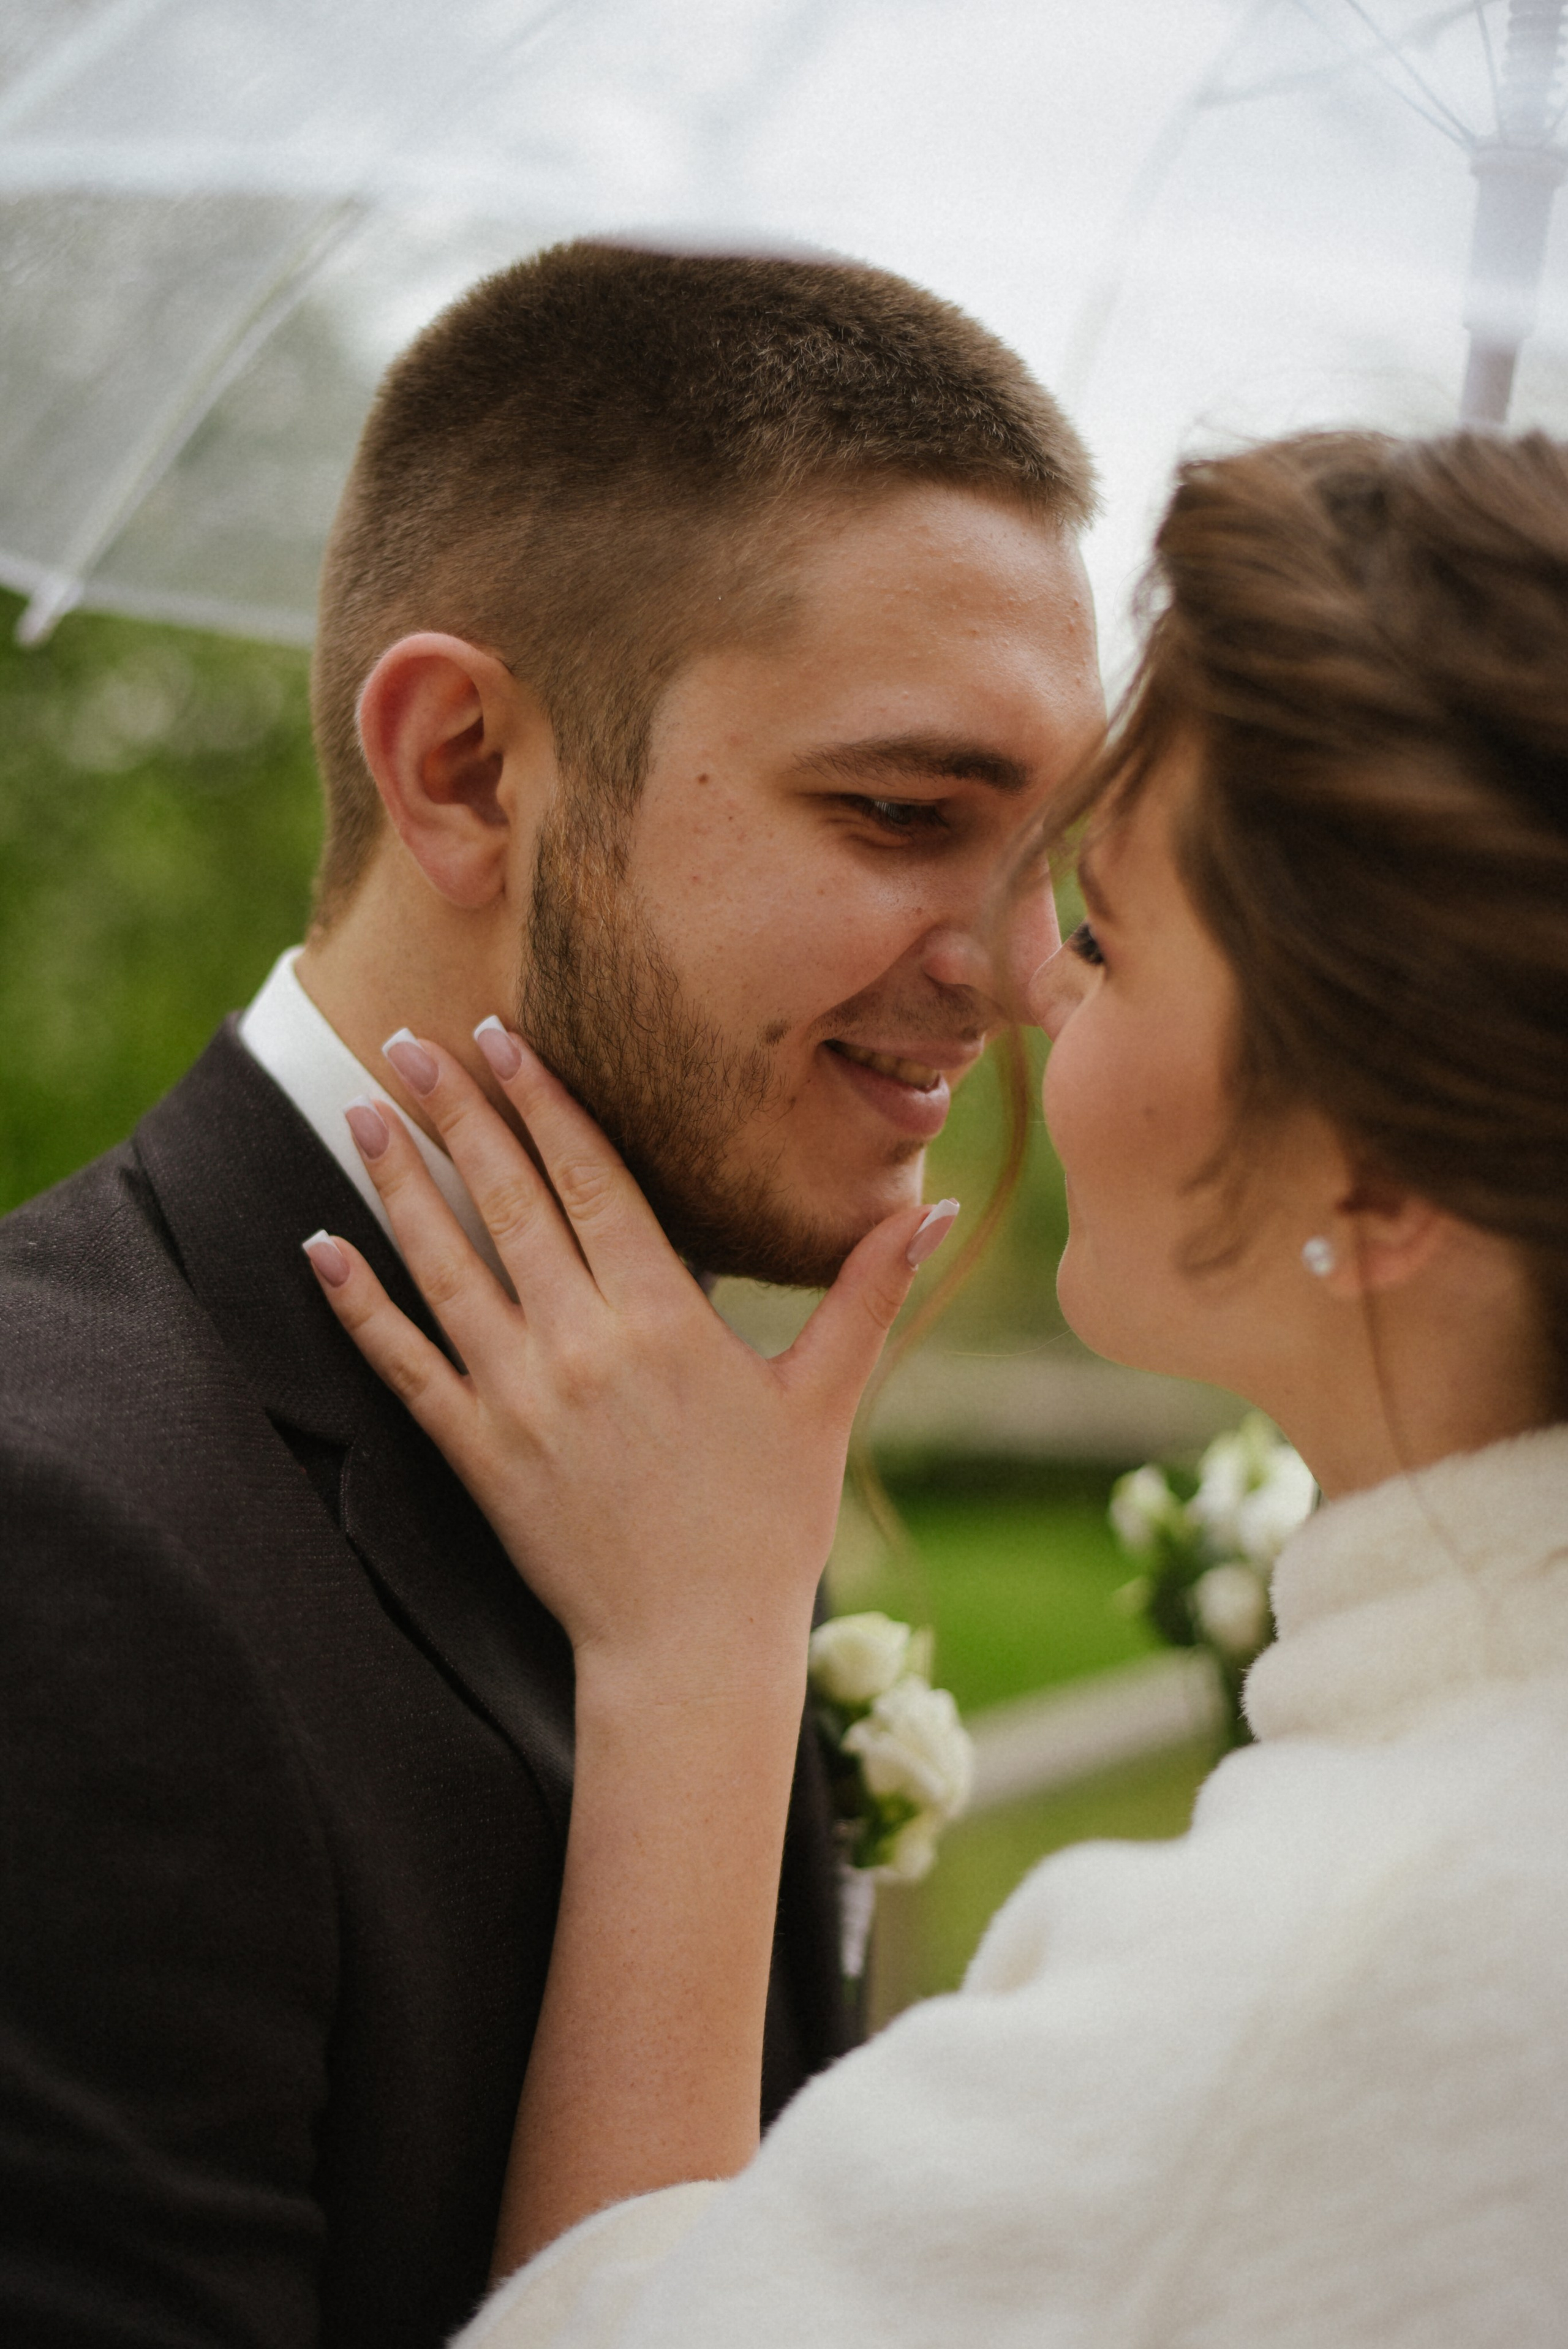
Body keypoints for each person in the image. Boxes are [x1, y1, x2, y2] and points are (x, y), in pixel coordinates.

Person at [314, 427, 1568, 2345]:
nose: (1019, 987)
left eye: (1105, 936)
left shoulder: (1315, 1989)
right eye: (903, 811)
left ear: (1383, 1174)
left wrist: (698, 1663)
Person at [0, 244, 1101, 2348]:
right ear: (465, 769)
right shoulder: (58, 1531)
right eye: (901, 812)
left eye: (1048, 848)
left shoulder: (692, 1464)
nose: (1023, 969)